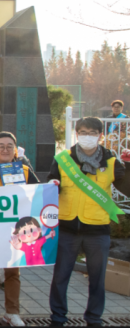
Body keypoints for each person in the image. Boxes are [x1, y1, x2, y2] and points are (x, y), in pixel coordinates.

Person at [48, 117, 130, 327]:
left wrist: (128, 166)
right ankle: (58, 317)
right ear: (77, 134)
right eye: (83, 132)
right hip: (67, 228)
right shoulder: (63, 159)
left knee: (97, 279)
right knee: (60, 277)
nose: (88, 136)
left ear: (100, 136)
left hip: (98, 230)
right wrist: (52, 184)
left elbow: (127, 188)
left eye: (93, 133)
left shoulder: (111, 162)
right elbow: (50, 185)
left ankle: (94, 318)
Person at [0, 132, 39, 327]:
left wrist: (53, 186)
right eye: (0, 146)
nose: (5, 149)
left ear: (15, 150)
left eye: (9, 146)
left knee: (13, 272)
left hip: (15, 230)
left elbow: (39, 192)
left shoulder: (24, 171)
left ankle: (12, 312)